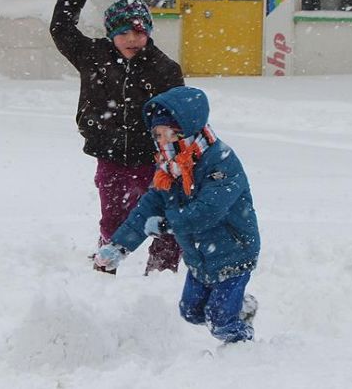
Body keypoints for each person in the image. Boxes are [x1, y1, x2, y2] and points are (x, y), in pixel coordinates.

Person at [50, 0, 185, 274]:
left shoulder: (164, 69)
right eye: (124, 32)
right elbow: (61, 27)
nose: (132, 39)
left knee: (165, 219)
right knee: (113, 218)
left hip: (154, 159)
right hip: (109, 153)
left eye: (139, 32)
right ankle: (105, 267)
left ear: (148, 33)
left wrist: (177, 155)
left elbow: (180, 115)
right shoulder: (92, 56)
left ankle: (162, 275)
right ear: (111, 33)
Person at [94, 86, 261, 343]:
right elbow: (148, 208)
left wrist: (167, 225)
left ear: (184, 129)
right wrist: (118, 247)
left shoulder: (221, 162)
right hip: (199, 256)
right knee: (191, 312)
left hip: (233, 251)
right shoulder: (170, 166)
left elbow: (208, 210)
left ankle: (244, 344)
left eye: (164, 133)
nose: (159, 140)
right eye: (156, 134)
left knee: (220, 321)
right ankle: (240, 306)